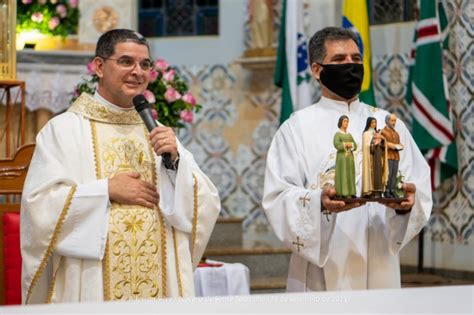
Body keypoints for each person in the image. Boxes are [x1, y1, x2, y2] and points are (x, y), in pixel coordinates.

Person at [20, 29, 221, 304]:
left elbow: (206, 202)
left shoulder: (159, 132)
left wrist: (176, 164)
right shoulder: (64, 130)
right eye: (127, 62)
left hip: (159, 279)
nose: (138, 72)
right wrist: (106, 190)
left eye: (145, 64)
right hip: (93, 282)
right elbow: (39, 205)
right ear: (99, 66)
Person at [263, 27, 432, 291]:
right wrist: (319, 203)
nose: (351, 66)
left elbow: (417, 186)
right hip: (323, 262)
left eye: (356, 59)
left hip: (379, 258)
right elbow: (277, 197)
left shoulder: (390, 124)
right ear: (317, 70)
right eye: (340, 60)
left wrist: (405, 206)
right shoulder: (296, 128)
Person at [361, 117, 388, 198]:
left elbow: (383, 145)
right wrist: (373, 143)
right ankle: (371, 192)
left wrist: (382, 141)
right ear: (369, 123)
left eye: (375, 123)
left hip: (379, 156)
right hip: (372, 158)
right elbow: (366, 146)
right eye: (372, 122)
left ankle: (379, 192)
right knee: (373, 174)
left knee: (379, 174)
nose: (374, 124)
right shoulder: (366, 134)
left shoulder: (377, 133)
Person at [333, 115, 357, 198]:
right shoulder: (338, 134)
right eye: (345, 121)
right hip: (342, 157)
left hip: (350, 157)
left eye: (347, 121)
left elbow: (355, 145)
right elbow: (337, 144)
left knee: (350, 173)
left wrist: (351, 145)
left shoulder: (349, 135)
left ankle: (351, 192)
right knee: (343, 173)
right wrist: (346, 144)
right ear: (340, 122)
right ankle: (343, 193)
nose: (346, 123)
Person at [381, 114, 403, 198]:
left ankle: (392, 190)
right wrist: (388, 144)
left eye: (395, 121)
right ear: (387, 121)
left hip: (396, 156)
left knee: (394, 174)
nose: (394, 123)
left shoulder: (396, 133)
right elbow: (380, 142)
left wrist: (401, 146)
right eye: (392, 120)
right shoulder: (383, 132)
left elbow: (398, 142)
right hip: (388, 156)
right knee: (388, 174)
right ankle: (386, 191)